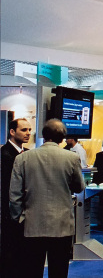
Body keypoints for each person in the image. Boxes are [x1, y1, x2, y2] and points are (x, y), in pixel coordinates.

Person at [9, 119, 85, 278]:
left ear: (43, 136)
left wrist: (18, 219)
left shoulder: (23, 158)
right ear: (62, 137)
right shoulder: (71, 158)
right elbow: (79, 187)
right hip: (62, 225)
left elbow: (14, 195)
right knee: (59, 270)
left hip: (32, 225)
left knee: (32, 270)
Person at [1, 118, 31, 277]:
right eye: (24, 130)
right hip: (10, 211)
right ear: (12, 132)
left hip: (22, 211)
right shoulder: (5, 155)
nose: (28, 133)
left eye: (29, 130)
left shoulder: (25, 153)